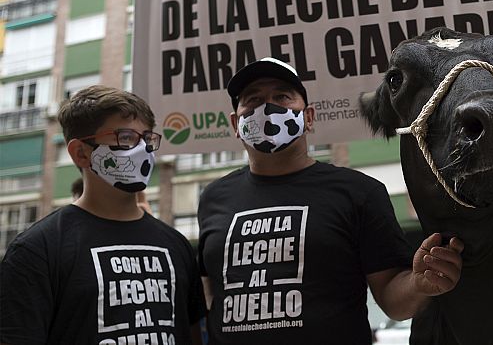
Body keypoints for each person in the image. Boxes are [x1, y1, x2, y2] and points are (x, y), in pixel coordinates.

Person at [197, 57, 464, 344]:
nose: (267, 107)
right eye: (253, 99)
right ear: (237, 124)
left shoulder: (358, 192)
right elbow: (210, 294)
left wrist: (420, 284)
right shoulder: (213, 198)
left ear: (309, 117)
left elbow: (392, 298)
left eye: (282, 96)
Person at [0, 85, 207, 345]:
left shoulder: (176, 245)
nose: (142, 149)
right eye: (126, 137)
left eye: (146, 138)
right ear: (82, 153)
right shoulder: (37, 250)